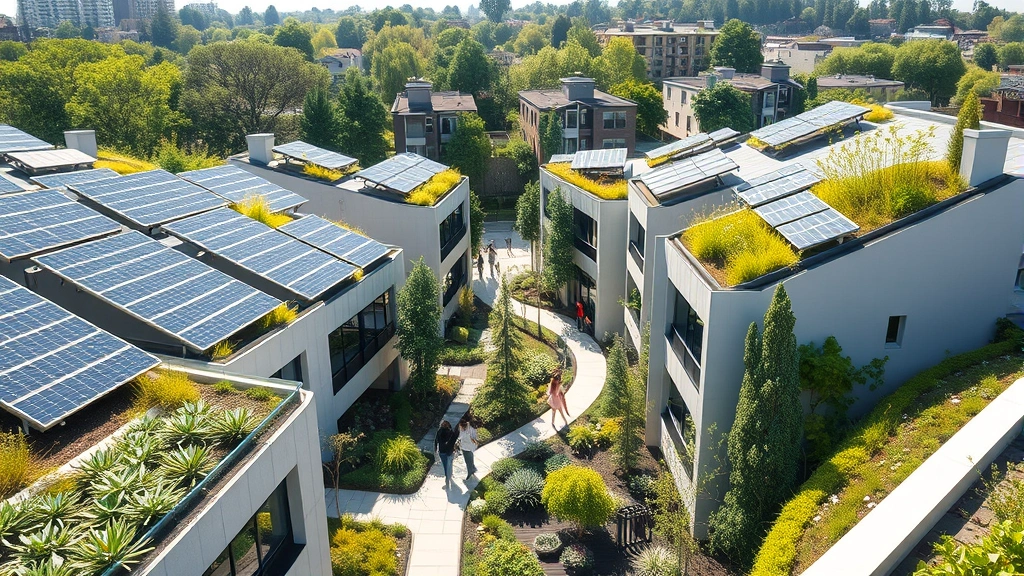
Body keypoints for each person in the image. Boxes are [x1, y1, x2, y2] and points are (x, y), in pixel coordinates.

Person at [434, 420, 458, 489]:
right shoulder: (451, 432)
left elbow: (436, 441)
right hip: (450, 452)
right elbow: (454, 439)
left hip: (443, 452)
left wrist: (435, 449)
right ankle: (449, 477)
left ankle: (447, 482)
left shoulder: (439, 432)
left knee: (446, 467)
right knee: (450, 465)